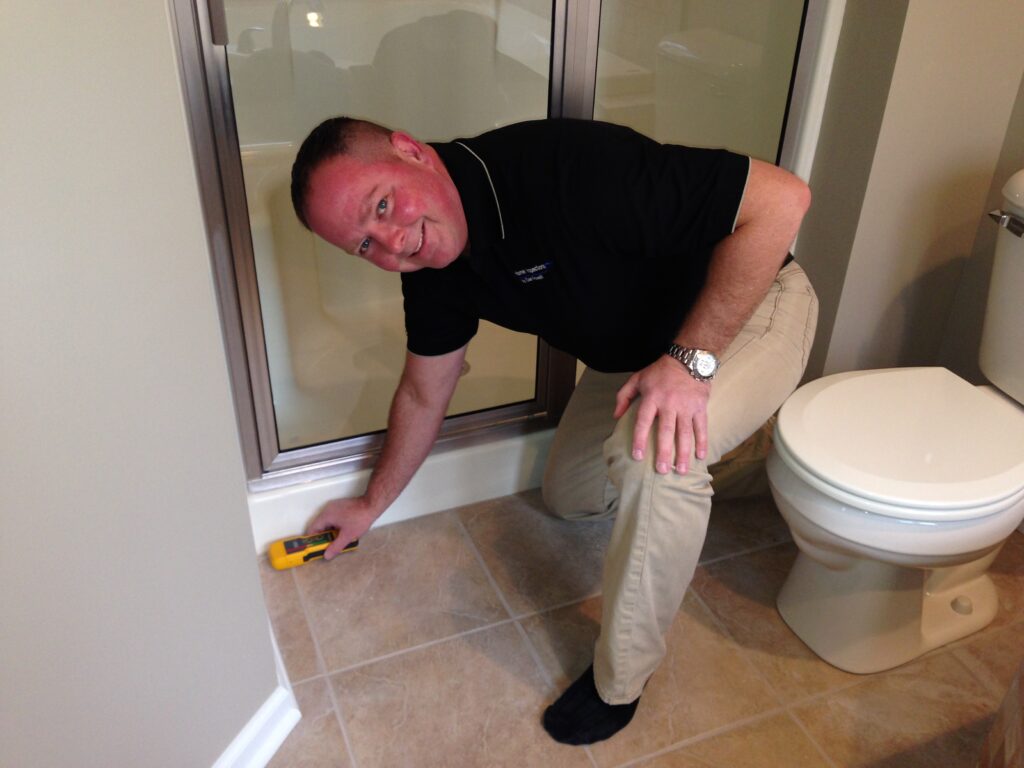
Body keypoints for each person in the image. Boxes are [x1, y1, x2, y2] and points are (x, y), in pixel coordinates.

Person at [290, 116, 818, 745]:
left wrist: (689, 362)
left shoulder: (567, 169)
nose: (392, 241)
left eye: (382, 204)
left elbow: (783, 199)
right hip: (640, 356)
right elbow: (422, 391)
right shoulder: (432, 271)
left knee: (652, 460)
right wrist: (371, 504)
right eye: (364, 245)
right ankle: (765, 457)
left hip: (749, 307)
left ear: (411, 152)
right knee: (572, 495)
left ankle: (619, 684)